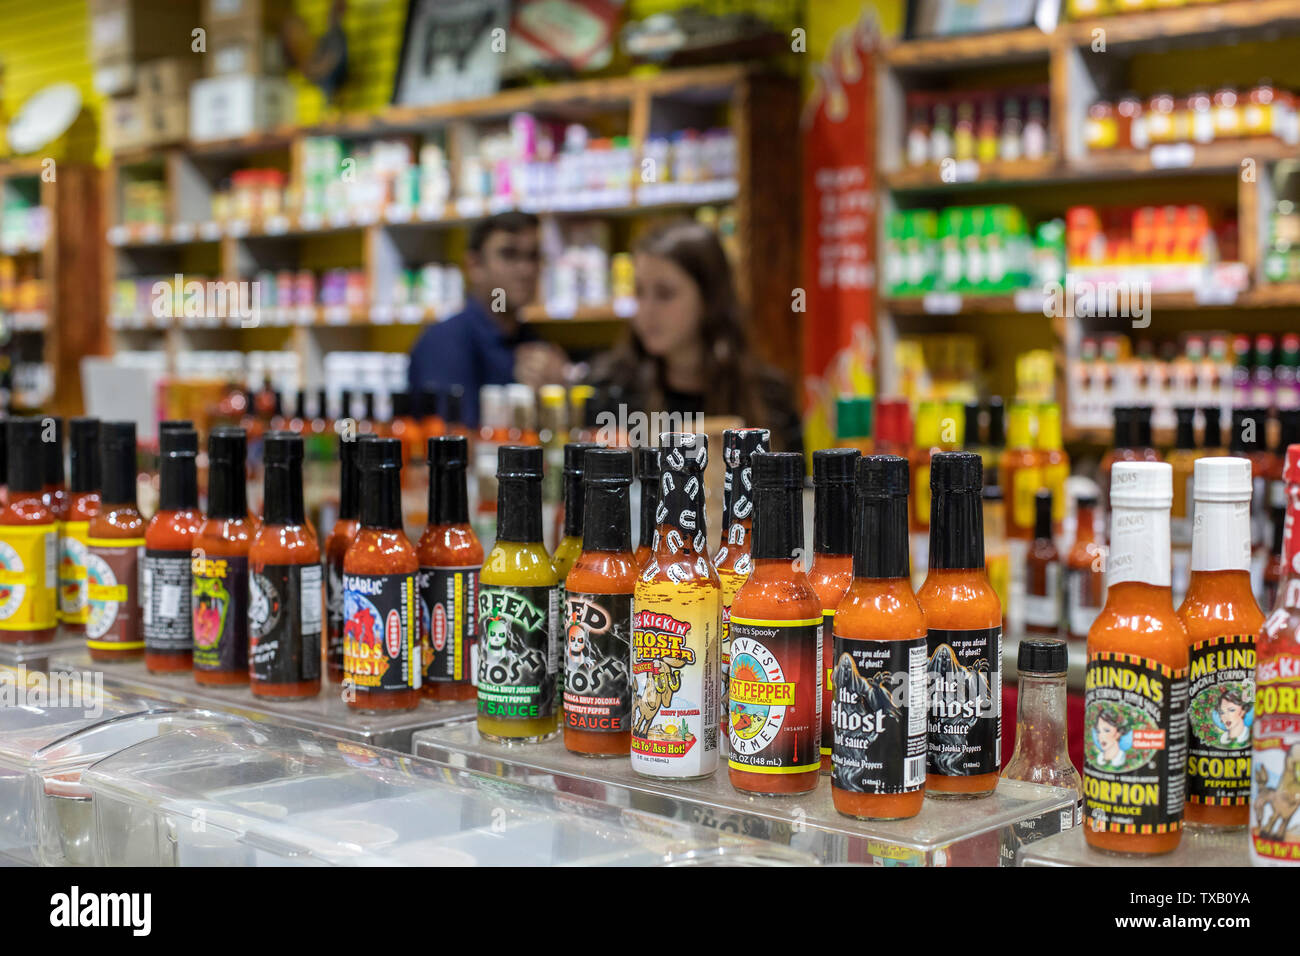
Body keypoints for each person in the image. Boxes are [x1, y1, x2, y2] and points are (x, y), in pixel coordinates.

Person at [586, 220, 802, 452]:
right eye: (639, 292)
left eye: (665, 294)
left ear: (709, 299)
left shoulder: (768, 396)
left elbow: (796, 483)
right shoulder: (610, 389)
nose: (646, 310)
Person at [408, 211, 570, 426]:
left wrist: (556, 391)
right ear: (475, 266)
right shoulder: (445, 343)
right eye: (509, 254)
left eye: (533, 256)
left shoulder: (533, 342)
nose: (526, 270)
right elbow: (456, 441)